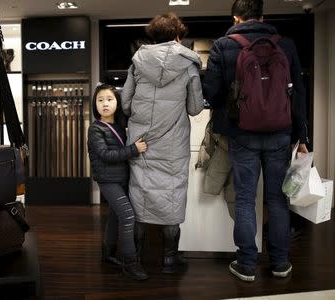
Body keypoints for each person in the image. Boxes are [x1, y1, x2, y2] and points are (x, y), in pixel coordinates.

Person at [202, 0, 309, 282]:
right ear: (262, 16)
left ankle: (247, 263)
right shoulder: (285, 44)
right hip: (280, 134)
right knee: (277, 200)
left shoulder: (223, 46)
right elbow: (298, 92)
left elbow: (210, 93)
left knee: (245, 199)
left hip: (241, 134)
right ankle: (280, 263)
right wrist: (303, 137)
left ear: (236, 18)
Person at [121, 13, 204, 273]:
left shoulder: (136, 64)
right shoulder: (188, 66)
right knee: (172, 197)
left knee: (140, 196)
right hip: (173, 145)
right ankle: (169, 260)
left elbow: (125, 103)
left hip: (141, 143)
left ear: (153, 36)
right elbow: (194, 107)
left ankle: (137, 260)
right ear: (178, 35)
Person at [87, 83, 149, 280]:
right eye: (100, 100)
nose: (105, 104)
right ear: (95, 104)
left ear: (117, 102)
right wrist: (133, 149)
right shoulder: (96, 128)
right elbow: (105, 154)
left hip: (121, 179)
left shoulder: (120, 126)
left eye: (109, 99)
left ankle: (107, 254)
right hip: (107, 180)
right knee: (128, 216)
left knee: (115, 216)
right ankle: (130, 263)